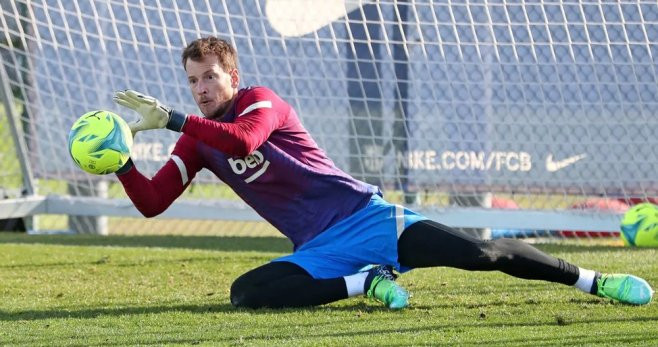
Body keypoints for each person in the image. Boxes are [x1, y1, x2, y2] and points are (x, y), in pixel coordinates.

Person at [112, 36, 653, 309]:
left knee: (481, 254)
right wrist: (120, 161)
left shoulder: (260, 101)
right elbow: (153, 202)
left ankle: (595, 280)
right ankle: (362, 283)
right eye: (191, 82)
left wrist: (175, 119)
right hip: (319, 248)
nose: (201, 89)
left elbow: (246, 140)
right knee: (247, 293)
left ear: (232, 75)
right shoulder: (196, 137)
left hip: (366, 217)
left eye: (208, 78)